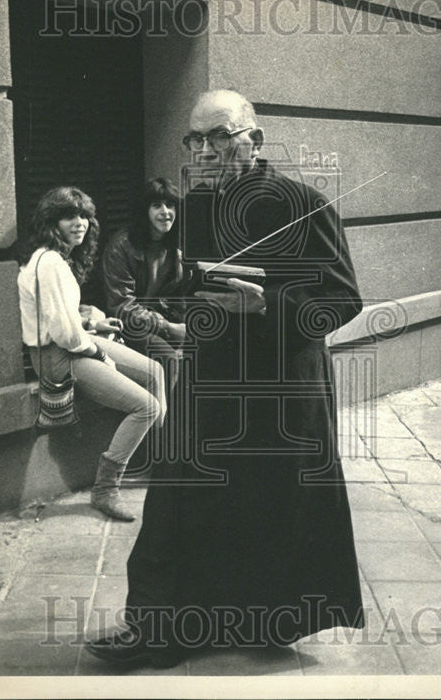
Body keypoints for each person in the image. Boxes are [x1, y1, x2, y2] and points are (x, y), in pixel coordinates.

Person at [87, 90, 365, 668]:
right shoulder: (194, 208)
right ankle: (158, 629)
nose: (205, 150)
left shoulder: (304, 204)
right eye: (195, 139)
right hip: (212, 376)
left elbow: (341, 300)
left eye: (218, 136)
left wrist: (265, 305)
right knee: (180, 495)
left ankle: (262, 621)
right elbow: (183, 286)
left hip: (283, 389)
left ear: (254, 140)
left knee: (269, 505)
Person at [18, 186, 167, 522]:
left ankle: (162, 461)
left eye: (84, 215)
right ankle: (105, 489)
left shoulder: (54, 259)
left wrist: (94, 323)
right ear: (51, 222)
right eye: (70, 216)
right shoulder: (51, 262)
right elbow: (64, 335)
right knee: (146, 406)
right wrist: (99, 352)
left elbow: (63, 320)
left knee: (155, 371)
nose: (80, 223)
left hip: (72, 345)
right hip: (57, 357)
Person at [99, 177, 187, 391]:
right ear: (144, 211)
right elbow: (122, 306)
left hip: (162, 321)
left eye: (170, 205)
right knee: (168, 358)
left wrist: (186, 324)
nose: (165, 212)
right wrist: (169, 327)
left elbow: (182, 294)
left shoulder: (176, 245)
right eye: (156, 205)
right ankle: (163, 421)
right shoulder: (121, 246)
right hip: (129, 326)